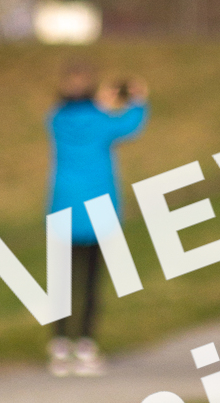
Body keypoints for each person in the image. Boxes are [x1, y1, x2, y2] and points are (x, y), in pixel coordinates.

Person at [45, 68, 149, 375]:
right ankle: (86, 344)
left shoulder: (57, 120)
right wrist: (138, 99)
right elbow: (132, 123)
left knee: (62, 278)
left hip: (62, 203)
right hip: (98, 207)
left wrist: (97, 102)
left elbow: (63, 113)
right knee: (92, 280)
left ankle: (59, 345)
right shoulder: (102, 123)